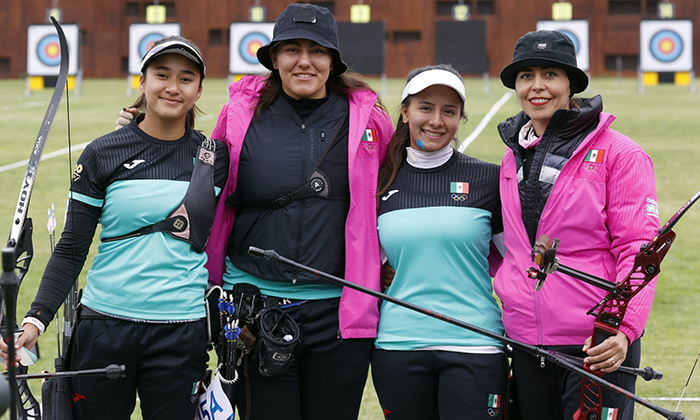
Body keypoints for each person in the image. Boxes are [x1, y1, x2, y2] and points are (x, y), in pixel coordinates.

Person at [1, 36, 229, 420]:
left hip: (181, 329)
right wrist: (35, 321)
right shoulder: (103, 152)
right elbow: (73, 245)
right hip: (106, 326)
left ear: (199, 90)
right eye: (161, 74)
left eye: (186, 78)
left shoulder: (214, 157)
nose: (173, 87)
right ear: (142, 81)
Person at [203, 3, 393, 420]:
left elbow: (403, 183)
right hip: (254, 308)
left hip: (340, 313)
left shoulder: (370, 121)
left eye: (317, 50)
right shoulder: (240, 116)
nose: (304, 61)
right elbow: (202, 176)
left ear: (333, 61)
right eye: (291, 49)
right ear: (274, 58)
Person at [494, 30, 659, 420]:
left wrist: (623, 329)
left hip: (596, 343)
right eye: (526, 76)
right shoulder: (512, 155)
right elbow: (512, 246)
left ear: (571, 84)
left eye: (550, 74)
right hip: (527, 341)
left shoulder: (621, 153)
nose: (537, 86)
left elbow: (639, 250)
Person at [371, 64, 507, 420]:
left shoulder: (489, 179)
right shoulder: (378, 181)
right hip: (399, 345)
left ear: (460, 118)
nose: (436, 120)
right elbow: (361, 257)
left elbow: (517, 264)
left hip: (476, 343)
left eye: (449, 111)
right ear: (405, 112)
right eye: (425, 107)